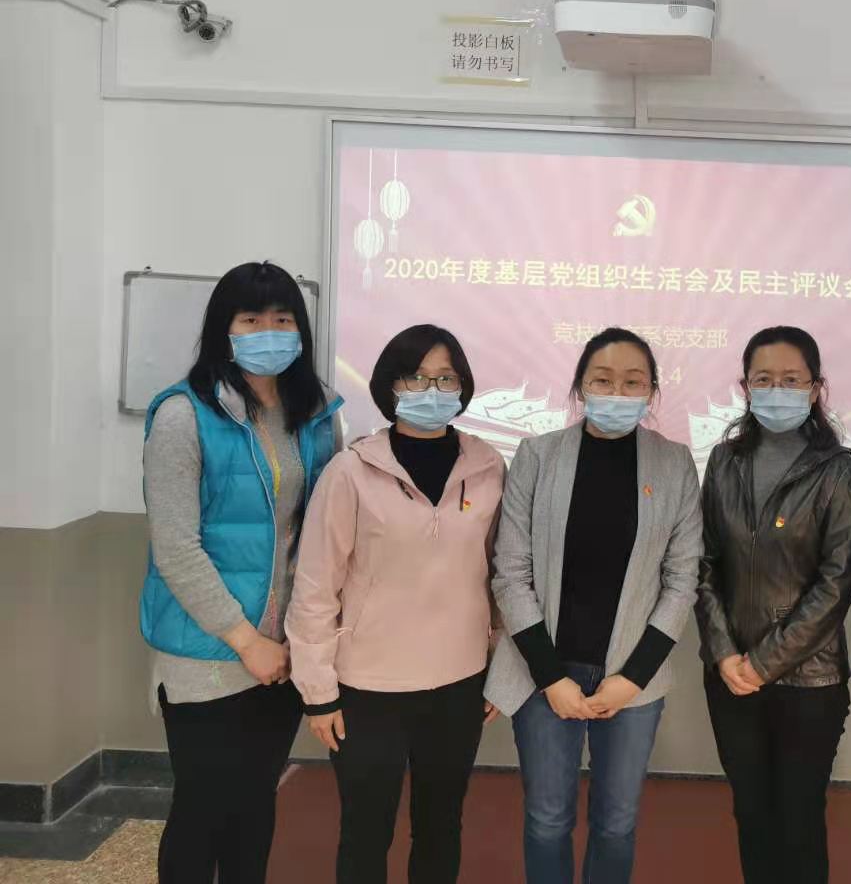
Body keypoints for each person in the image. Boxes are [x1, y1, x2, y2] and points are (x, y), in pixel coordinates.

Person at [140, 261, 342, 884]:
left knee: (255, 805)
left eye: (282, 319)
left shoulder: (316, 413)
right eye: (250, 319)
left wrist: (299, 638)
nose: (268, 332)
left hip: (284, 650)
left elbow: (323, 534)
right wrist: (245, 640)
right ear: (222, 330)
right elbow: (176, 546)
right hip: (209, 650)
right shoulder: (183, 414)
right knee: (202, 810)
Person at [287, 325, 505, 884]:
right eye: (416, 377)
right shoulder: (351, 471)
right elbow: (315, 586)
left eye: (446, 378)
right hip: (368, 688)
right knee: (366, 830)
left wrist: (501, 669)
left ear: (463, 386)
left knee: (441, 826)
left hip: (459, 682)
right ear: (390, 385)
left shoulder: (487, 467)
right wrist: (318, 692)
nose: (432, 389)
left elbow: (502, 576)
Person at [485, 327, 703, 884]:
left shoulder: (674, 463)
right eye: (602, 380)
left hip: (632, 681)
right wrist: (550, 676)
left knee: (616, 824)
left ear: (652, 391)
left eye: (633, 382)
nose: (617, 392)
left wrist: (632, 679)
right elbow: (511, 574)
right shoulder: (538, 456)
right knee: (547, 821)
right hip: (544, 675)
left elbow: (682, 580)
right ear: (580, 386)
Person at [695, 326, 851, 884]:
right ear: (745, 387)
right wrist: (725, 654)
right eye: (763, 379)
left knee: (798, 821)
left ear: (815, 388)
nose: (777, 390)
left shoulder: (838, 468)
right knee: (751, 816)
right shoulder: (723, 461)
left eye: (791, 380)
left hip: (809, 682)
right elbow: (704, 564)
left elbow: (836, 583)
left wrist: (763, 663)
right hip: (731, 678)